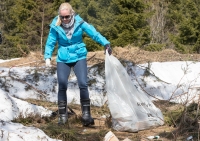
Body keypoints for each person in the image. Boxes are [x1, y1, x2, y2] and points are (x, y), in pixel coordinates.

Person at [44, 2, 112, 126]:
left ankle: (86, 116)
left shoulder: (80, 23)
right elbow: (50, 42)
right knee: (62, 85)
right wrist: (47, 56)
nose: (65, 19)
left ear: (72, 14)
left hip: (79, 56)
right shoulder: (55, 25)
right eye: (62, 17)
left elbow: (94, 34)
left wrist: (106, 43)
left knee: (83, 83)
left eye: (67, 17)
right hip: (63, 58)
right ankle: (63, 117)